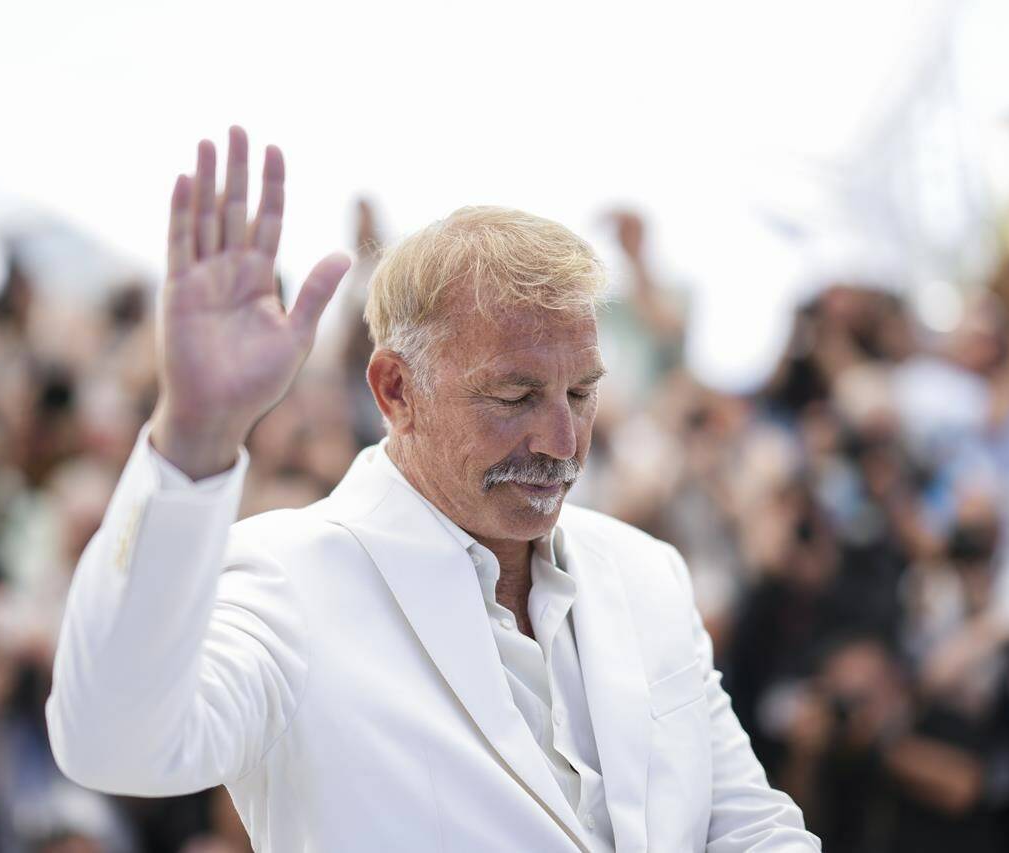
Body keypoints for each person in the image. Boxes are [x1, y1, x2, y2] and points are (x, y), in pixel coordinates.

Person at [45, 126, 819, 852]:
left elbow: (748, 827)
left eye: (581, 393)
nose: (560, 441)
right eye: (514, 397)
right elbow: (114, 743)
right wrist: (193, 437)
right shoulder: (283, 576)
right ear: (395, 390)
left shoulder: (646, 569)